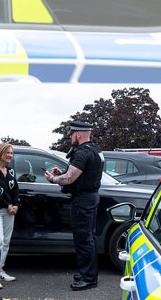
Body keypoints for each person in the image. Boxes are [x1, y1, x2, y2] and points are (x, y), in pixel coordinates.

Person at [44, 120, 104, 291]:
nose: (70, 137)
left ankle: (89, 278)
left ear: (78, 134)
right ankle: (88, 273)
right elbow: (82, 173)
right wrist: (62, 172)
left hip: (83, 200)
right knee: (89, 238)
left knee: (83, 239)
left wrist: (54, 179)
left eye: (71, 134)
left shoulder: (82, 153)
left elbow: (70, 178)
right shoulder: (95, 150)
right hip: (91, 197)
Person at [0, 142, 21, 288]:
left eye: (11, 153)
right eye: (7, 152)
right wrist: (8, 205)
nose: (10, 155)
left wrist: (16, 205)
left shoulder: (10, 171)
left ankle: (0, 270)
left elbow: (15, 190)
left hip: (10, 211)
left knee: (6, 242)